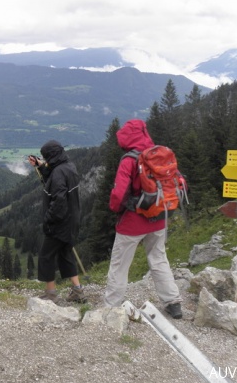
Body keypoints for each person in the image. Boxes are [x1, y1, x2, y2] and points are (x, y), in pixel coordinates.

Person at [103, 119, 183, 319]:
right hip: (159, 219)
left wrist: (115, 209)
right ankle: (173, 303)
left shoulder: (129, 160)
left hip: (132, 223)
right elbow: (179, 183)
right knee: (158, 258)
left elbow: (119, 195)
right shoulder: (160, 155)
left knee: (120, 264)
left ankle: (111, 307)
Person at [28, 140, 85, 304]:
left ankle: (51, 294)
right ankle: (78, 291)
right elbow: (52, 176)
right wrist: (40, 165)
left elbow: (59, 201)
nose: (45, 160)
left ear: (51, 156)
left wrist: (48, 219)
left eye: (46, 157)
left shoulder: (59, 173)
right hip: (72, 220)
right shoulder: (68, 167)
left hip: (59, 223)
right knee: (65, 253)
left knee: (46, 255)